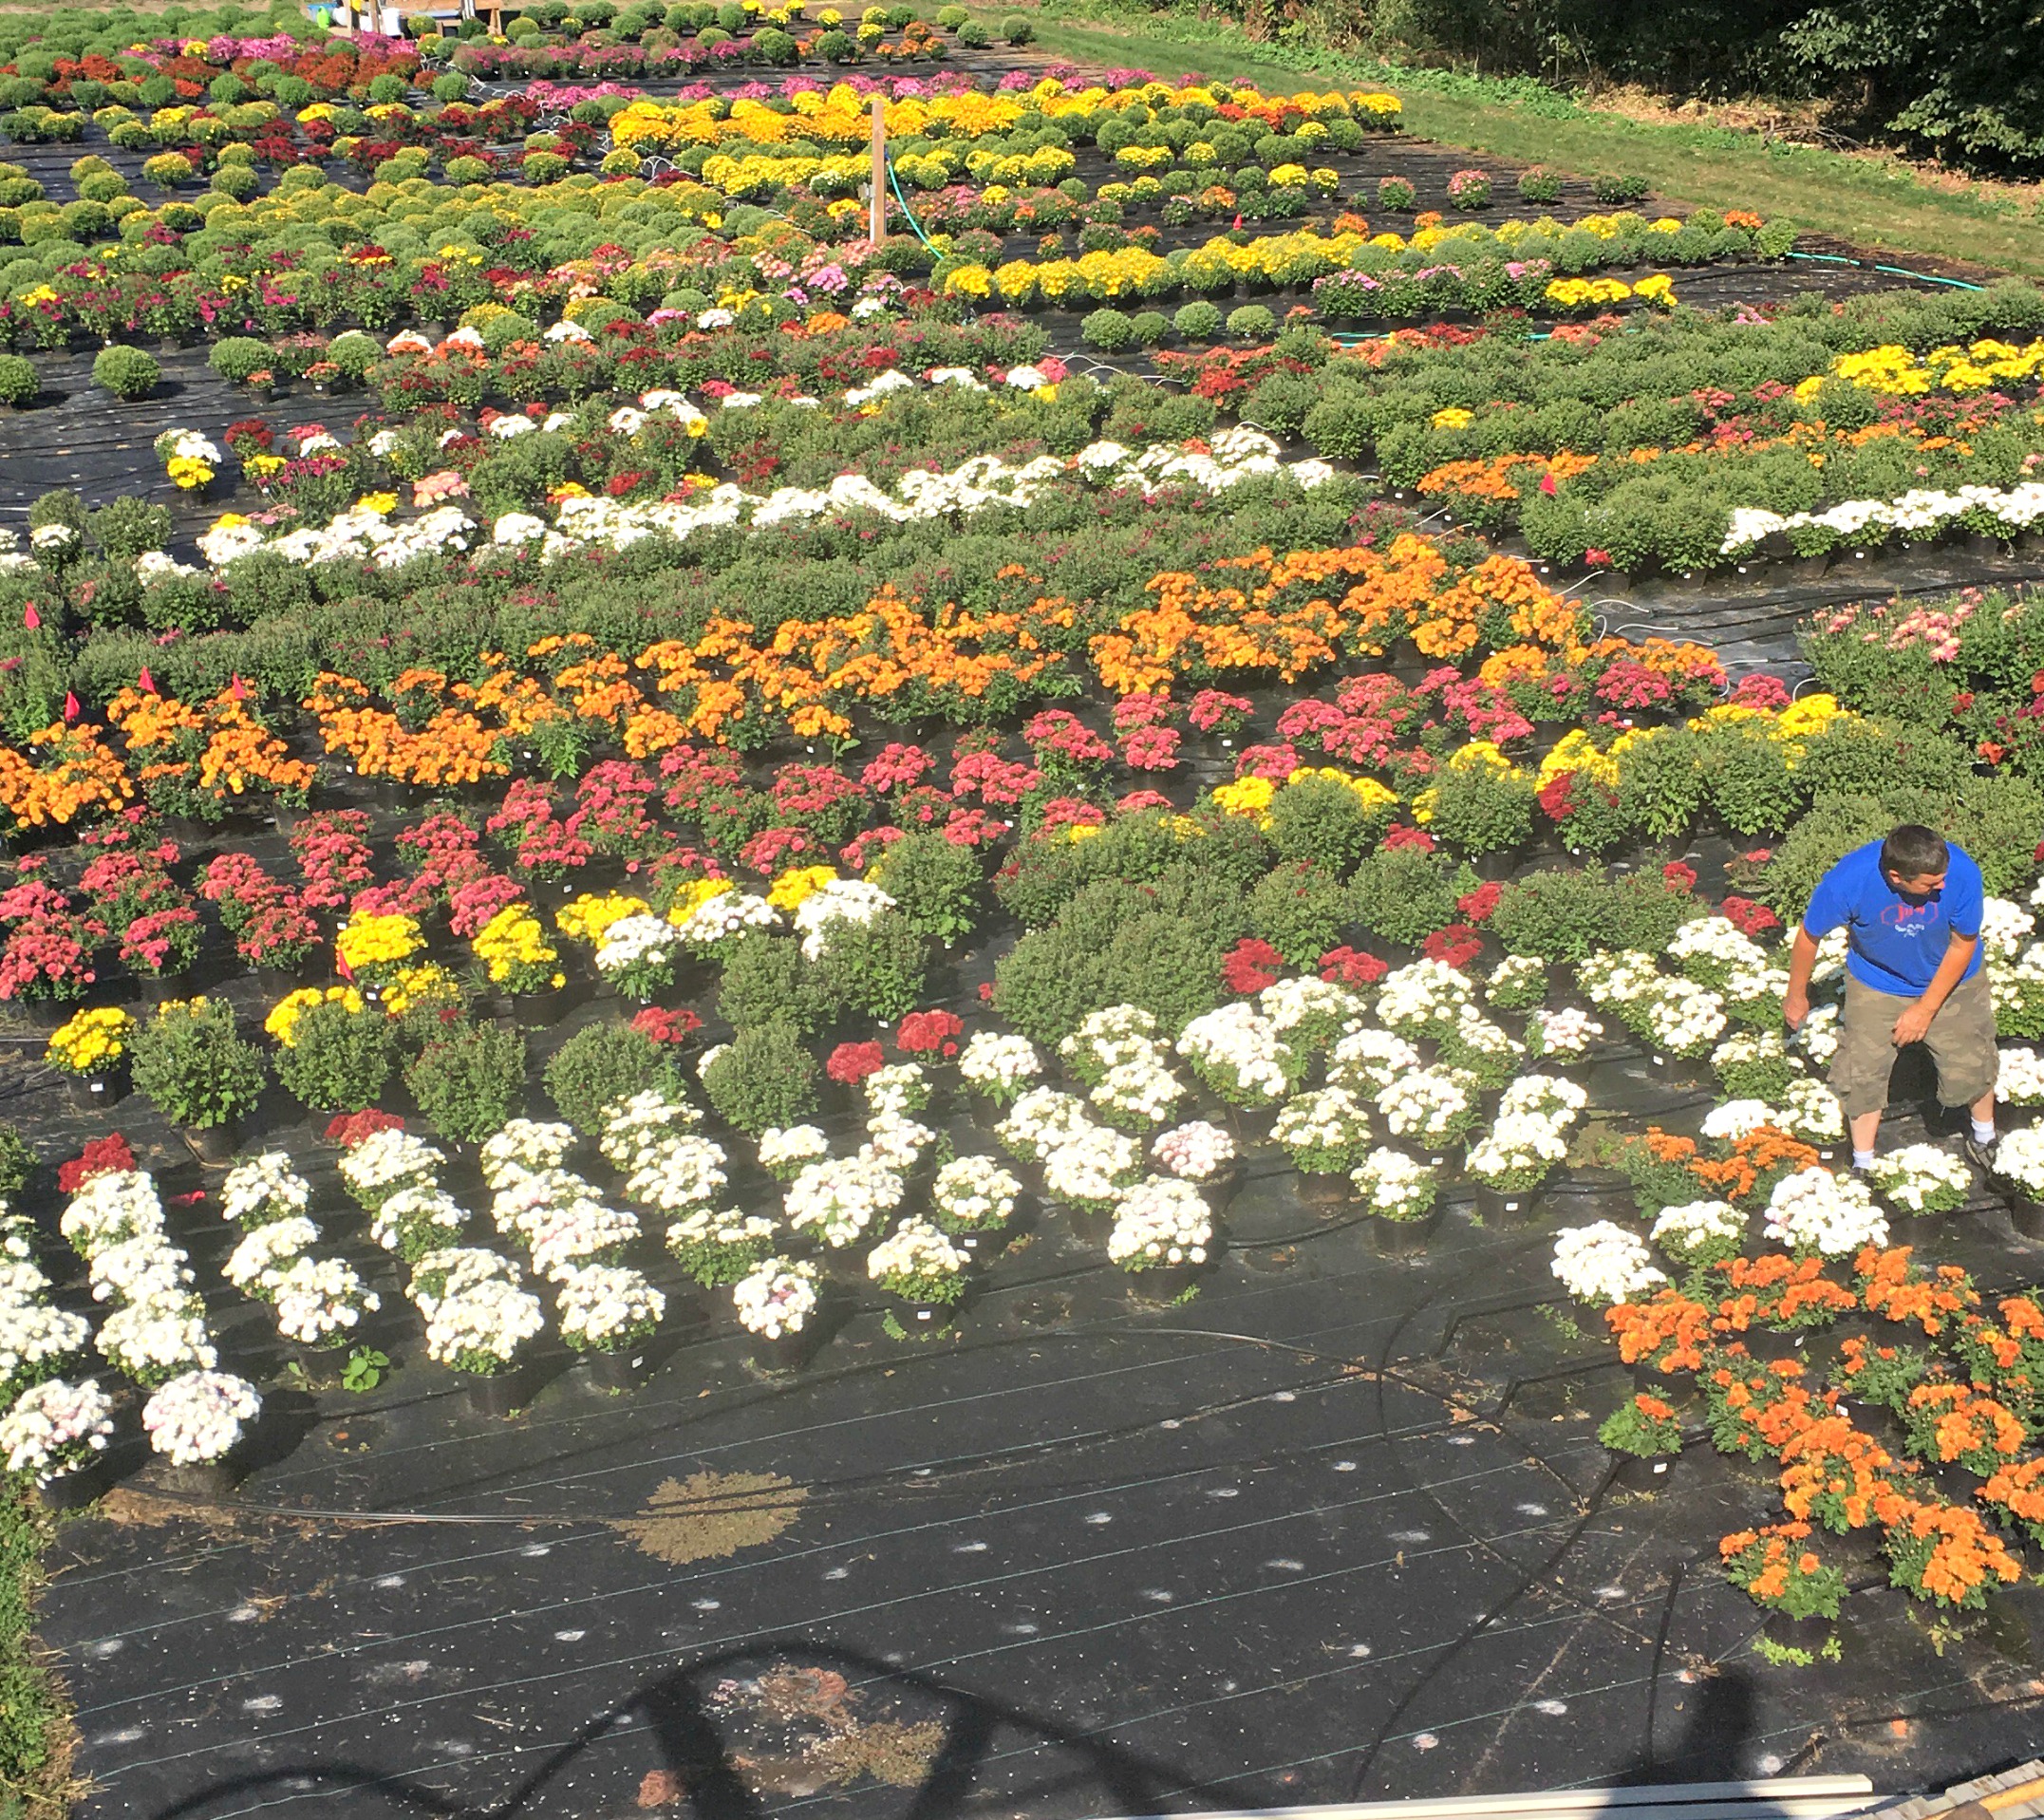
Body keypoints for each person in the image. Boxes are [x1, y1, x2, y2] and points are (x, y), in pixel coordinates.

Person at [1783, 823, 1997, 1171]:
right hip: (1877, 981)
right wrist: (1796, 995)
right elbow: (1809, 936)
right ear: (1897, 877)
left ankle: (1984, 1138)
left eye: (1942, 877)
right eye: (1931, 884)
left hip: (1953, 979)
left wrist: (1925, 1010)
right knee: (1863, 1071)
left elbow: (1963, 945)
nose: (1941, 886)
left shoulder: (1962, 873)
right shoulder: (1847, 882)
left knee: (1971, 1063)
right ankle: (1863, 1164)